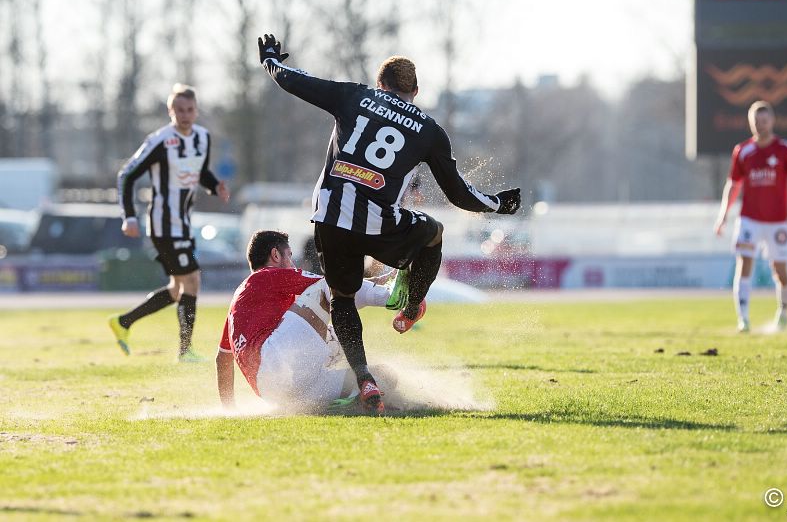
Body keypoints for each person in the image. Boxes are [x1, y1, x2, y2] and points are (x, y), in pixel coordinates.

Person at [257, 34, 521, 413]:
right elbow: (458, 194)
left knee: (343, 299)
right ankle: (411, 305)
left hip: (329, 216)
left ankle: (364, 378)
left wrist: (270, 60)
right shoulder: (429, 129)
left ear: (380, 83)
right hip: (379, 221)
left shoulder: (355, 96)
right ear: (415, 90)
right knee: (434, 234)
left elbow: (294, 80)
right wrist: (499, 203)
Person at [109, 84, 230, 361]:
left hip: (184, 223)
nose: (185, 115)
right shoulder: (160, 140)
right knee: (193, 281)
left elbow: (199, 172)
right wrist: (128, 215)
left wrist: (215, 187)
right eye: (179, 110)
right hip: (163, 224)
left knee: (178, 289)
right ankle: (185, 352)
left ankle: (123, 322)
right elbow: (126, 175)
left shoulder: (202, 137)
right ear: (170, 111)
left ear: (196, 111)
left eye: (189, 110)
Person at [216, 230, 398, 413]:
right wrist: (381, 289)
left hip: (276, 393)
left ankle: (348, 399)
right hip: (279, 364)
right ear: (275, 255)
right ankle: (395, 299)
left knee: (384, 376)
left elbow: (222, 359)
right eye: (290, 256)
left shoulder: (239, 303)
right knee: (325, 288)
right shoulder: (265, 275)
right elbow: (334, 285)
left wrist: (229, 409)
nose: (293, 264)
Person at [714, 100, 787, 333]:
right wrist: (723, 215)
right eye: (756, 121)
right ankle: (743, 318)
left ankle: (783, 312)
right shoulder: (743, 151)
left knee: (780, 270)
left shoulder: (785, 149)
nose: (760, 125)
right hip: (749, 220)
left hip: (777, 222)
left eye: (764, 120)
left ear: (772, 121)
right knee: (744, 263)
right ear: (750, 123)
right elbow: (733, 185)